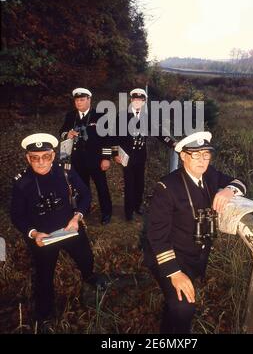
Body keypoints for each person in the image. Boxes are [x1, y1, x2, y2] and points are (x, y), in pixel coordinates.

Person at [143, 131, 247, 334]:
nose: (202, 160)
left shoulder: (210, 175)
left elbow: (240, 182)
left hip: (196, 255)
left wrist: (229, 191)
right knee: (183, 308)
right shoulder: (166, 187)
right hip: (170, 256)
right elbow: (157, 237)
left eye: (206, 155)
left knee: (174, 305)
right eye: (196, 155)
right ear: (183, 156)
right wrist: (174, 273)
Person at [10, 133, 107, 324]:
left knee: (86, 257)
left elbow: (86, 195)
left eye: (45, 156)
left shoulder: (66, 171)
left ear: (53, 156)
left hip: (69, 227)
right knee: (44, 275)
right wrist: (33, 233)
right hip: (43, 236)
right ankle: (44, 313)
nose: (41, 162)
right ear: (27, 158)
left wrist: (77, 217)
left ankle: (89, 276)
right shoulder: (22, 182)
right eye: (35, 158)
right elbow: (17, 215)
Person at [113, 88, 175, 221]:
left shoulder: (147, 118)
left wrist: (172, 143)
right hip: (126, 156)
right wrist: (114, 154)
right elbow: (114, 137)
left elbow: (159, 133)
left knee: (139, 183)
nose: (137, 102)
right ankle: (128, 212)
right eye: (135, 99)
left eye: (140, 100)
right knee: (129, 184)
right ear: (131, 101)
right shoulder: (122, 116)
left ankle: (137, 206)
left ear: (144, 102)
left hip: (141, 156)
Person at [59, 88, 113, 225]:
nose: (79, 102)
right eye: (76, 100)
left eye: (82, 99)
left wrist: (106, 158)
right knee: (82, 187)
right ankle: (85, 208)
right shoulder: (71, 115)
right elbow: (62, 132)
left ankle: (107, 212)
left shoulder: (100, 116)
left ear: (89, 100)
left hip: (96, 159)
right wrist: (67, 134)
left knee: (102, 187)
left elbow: (108, 139)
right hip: (77, 159)